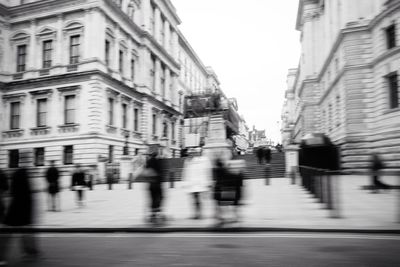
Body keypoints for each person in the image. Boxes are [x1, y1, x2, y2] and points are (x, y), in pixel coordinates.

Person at [2, 168, 40, 263]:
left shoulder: (17, 191)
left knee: (6, 234)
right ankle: (30, 252)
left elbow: (8, 190)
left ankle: (2, 257)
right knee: (25, 232)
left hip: (15, 212)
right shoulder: (27, 192)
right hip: (23, 214)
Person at [181, 148, 213, 219]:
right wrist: (184, 182)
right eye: (190, 153)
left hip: (200, 184)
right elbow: (185, 172)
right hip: (192, 184)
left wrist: (208, 182)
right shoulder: (188, 161)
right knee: (194, 200)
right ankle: (196, 214)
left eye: (192, 153)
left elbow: (208, 171)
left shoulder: (203, 160)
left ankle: (199, 214)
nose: (191, 154)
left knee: (198, 199)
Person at [145, 151, 165, 224]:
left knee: (152, 198)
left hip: (151, 184)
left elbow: (146, 171)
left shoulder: (148, 162)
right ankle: (157, 212)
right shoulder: (158, 162)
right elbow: (161, 172)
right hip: (157, 183)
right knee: (160, 197)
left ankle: (152, 214)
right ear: (156, 155)